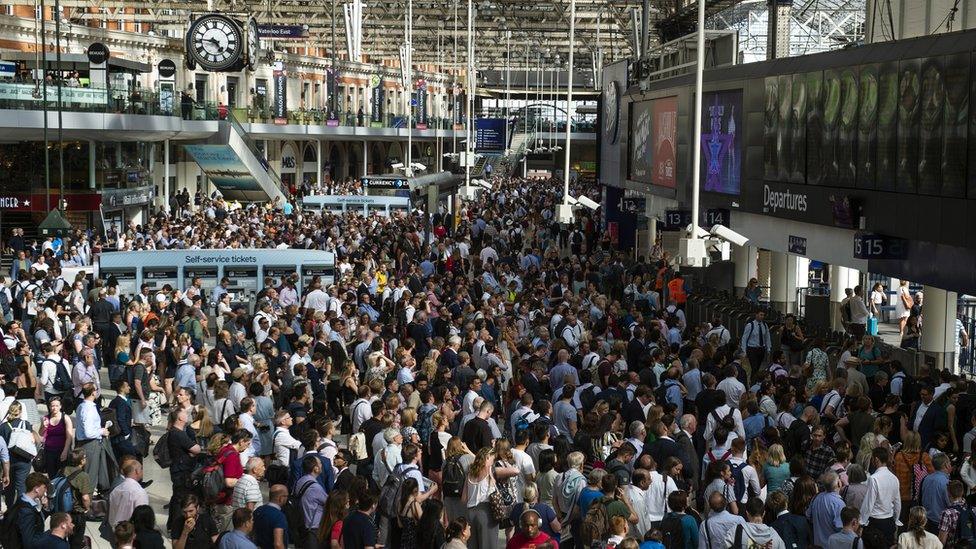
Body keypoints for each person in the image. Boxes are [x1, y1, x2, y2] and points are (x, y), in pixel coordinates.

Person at [859, 447, 901, 547]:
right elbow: (897, 502)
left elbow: (869, 503)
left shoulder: (874, 479)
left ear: (876, 460)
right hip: (889, 521)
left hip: (876, 522)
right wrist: (896, 519)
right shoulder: (894, 478)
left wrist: (862, 522)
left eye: (872, 459)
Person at [109, 459, 149, 527]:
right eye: (141, 468)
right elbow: (142, 517)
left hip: (117, 531)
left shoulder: (116, 489)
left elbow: (112, 515)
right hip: (132, 532)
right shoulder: (139, 492)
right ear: (137, 471)